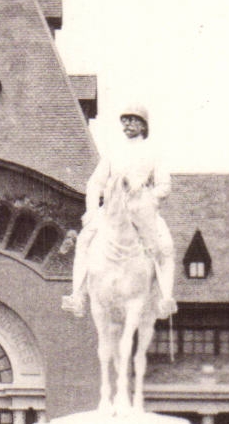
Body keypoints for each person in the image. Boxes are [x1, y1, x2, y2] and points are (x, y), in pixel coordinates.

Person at [61, 104, 177, 319]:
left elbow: (164, 186)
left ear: (143, 125)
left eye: (133, 120)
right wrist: (92, 210)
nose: (128, 124)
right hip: (113, 207)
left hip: (142, 207)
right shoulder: (113, 153)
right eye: (125, 120)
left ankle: (165, 298)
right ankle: (77, 295)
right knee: (84, 240)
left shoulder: (153, 154)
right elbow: (95, 183)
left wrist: (146, 197)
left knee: (165, 246)